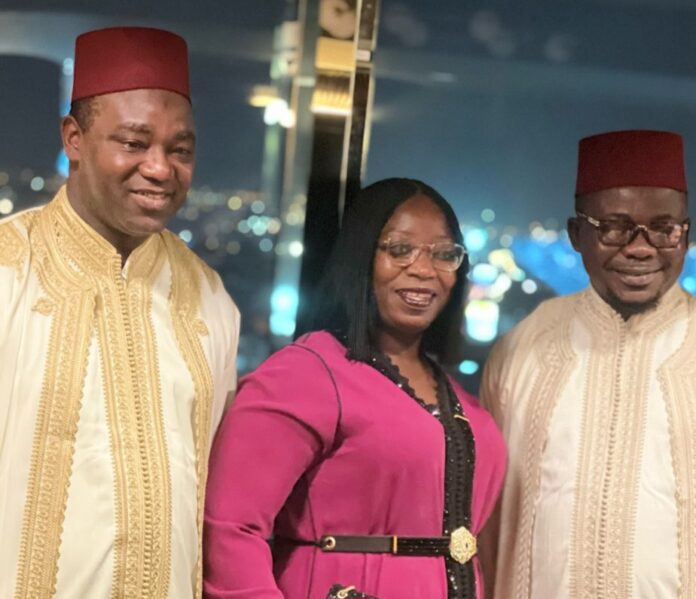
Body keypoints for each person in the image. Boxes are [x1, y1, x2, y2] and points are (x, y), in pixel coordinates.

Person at [0, 27, 239, 598]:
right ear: (74, 139)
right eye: (134, 143)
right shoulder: (9, 269)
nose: (159, 169)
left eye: (180, 150)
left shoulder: (209, 299)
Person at [204, 177, 506, 599]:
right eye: (400, 249)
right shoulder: (306, 375)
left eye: (443, 254)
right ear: (361, 257)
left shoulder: (459, 398)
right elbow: (229, 528)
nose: (424, 270)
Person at [481, 129, 694, 598]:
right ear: (577, 234)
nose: (640, 248)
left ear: (685, 234)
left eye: (663, 228)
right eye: (614, 227)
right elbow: (486, 521)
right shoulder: (522, 349)